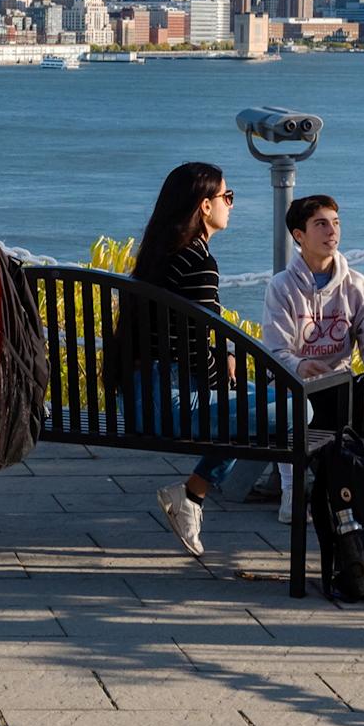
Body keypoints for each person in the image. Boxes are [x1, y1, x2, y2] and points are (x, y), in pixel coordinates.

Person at [245, 195, 364, 520]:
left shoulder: (359, 287)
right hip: (296, 393)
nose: (332, 232)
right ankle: (293, 492)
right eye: (321, 224)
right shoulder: (281, 287)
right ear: (299, 235)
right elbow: (275, 353)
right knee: (286, 398)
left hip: (339, 389)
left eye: (336, 223)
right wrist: (298, 365)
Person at [124, 161, 240, 558]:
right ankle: (193, 491)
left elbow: (181, 341)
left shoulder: (158, 256)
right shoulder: (198, 263)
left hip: (136, 397)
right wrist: (225, 379)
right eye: (227, 196)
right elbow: (192, 351)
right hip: (169, 404)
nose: (231, 204)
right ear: (204, 207)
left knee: (268, 400)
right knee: (291, 411)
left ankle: (191, 495)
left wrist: (220, 361)